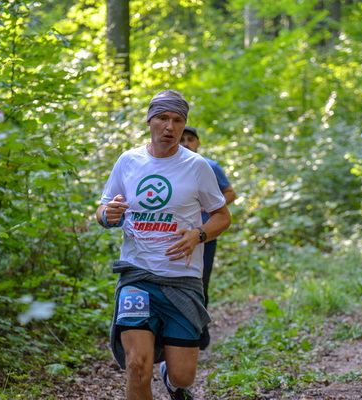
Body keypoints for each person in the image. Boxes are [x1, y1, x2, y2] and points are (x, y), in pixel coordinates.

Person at [96, 89, 231, 400]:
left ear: (184, 125)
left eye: (177, 120)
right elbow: (104, 210)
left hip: (182, 279)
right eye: (162, 118)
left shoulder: (197, 166)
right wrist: (107, 214)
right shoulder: (128, 161)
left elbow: (222, 217)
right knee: (136, 365)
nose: (170, 127)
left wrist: (198, 234)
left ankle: (171, 378)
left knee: (184, 375)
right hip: (137, 275)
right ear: (149, 121)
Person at [179, 126, 236, 350]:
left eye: (190, 139)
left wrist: (209, 206)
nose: (186, 143)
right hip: (173, 236)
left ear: (198, 143)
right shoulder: (169, 167)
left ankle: (201, 330)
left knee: (200, 283)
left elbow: (230, 192)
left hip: (205, 236)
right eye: (182, 139)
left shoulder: (210, 166)